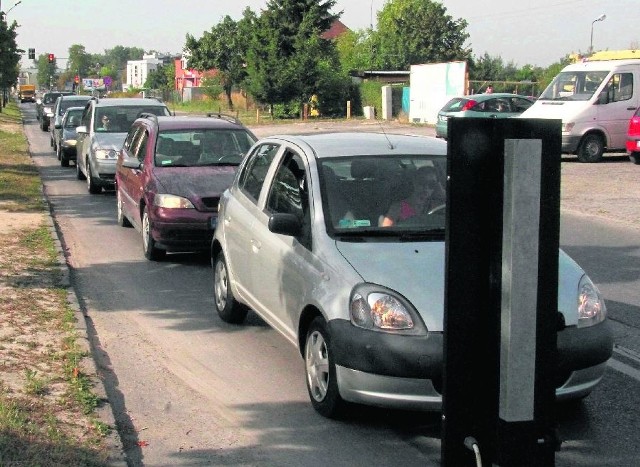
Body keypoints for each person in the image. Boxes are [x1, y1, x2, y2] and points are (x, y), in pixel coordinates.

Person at [380, 166, 445, 227]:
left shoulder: (438, 207)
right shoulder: (398, 208)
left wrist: (441, 192)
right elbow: (385, 232)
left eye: (431, 184)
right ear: (414, 182)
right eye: (422, 182)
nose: (426, 187)